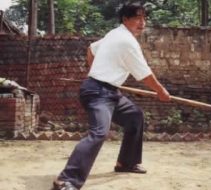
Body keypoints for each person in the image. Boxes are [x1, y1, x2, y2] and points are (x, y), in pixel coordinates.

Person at [53, 2, 170, 190]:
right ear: (125, 19)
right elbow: (144, 73)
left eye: (144, 18)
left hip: (110, 92)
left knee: (134, 116)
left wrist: (98, 71)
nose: (142, 22)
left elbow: (91, 49)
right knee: (99, 133)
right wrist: (160, 91)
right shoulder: (127, 41)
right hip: (97, 93)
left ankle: (126, 163)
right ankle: (66, 180)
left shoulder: (114, 34)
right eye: (137, 18)